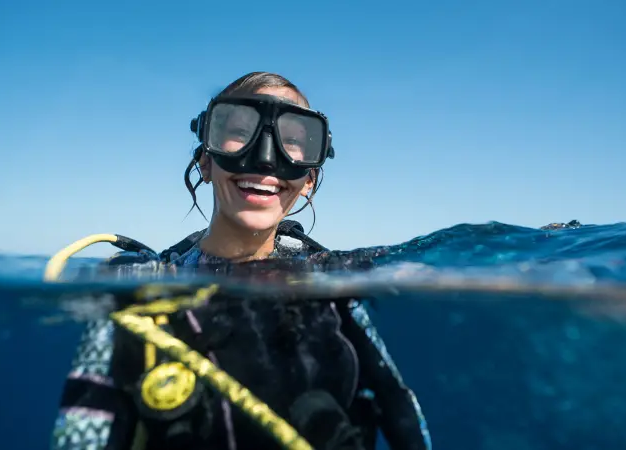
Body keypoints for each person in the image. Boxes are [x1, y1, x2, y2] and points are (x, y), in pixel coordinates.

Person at [50, 72, 431, 450]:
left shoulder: (334, 285)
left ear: (310, 178)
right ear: (205, 161)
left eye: (295, 141)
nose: (265, 160)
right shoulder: (136, 290)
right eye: (238, 132)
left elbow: (399, 405)